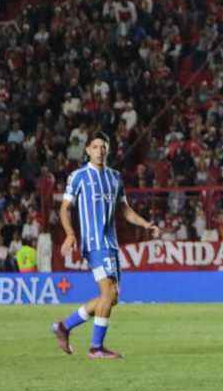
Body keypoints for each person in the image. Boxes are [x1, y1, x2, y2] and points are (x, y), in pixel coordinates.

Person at [51, 132, 161, 359]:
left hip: (111, 244)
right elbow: (65, 208)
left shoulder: (115, 178)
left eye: (103, 146)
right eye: (95, 146)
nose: (99, 150)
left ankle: (64, 326)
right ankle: (95, 348)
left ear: (107, 150)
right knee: (108, 293)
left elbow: (125, 210)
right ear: (88, 151)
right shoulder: (78, 177)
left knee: (111, 297)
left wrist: (146, 223)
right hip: (93, 244)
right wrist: (71, 234)